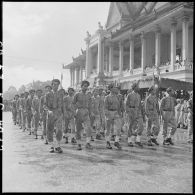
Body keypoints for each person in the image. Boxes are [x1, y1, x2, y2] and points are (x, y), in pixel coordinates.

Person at [72, 80, 93, 150]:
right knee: (78, 129)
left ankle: (88, 143)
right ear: (81, 87)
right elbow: (73, 104)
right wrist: (74, 112)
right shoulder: (77, 94)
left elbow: (90, 105)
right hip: (79, 111)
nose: (85, 87)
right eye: (84, 86)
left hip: (86, 112)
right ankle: (79, 144)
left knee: (88, 128)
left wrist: (90, 113)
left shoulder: (89, 95)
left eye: (87, 86)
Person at [45, 79, 63, 153]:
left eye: (57, 85)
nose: (56, 86)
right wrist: (48, 111)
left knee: (59, 130)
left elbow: (62, 105)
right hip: (51, 113)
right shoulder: (48, 94)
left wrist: (63, 113)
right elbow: (44, 105)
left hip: (58, 113)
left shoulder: (60, 94)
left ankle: (58, 146)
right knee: (50, 130)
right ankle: (52, 146)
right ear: (52, 85)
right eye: (54, 84)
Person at [104, 83, 122, 150]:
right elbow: (105, 108)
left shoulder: (118, 96)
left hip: (116, 113)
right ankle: (108, 142)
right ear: (111, 89)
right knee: (108, 129)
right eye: (114, 87)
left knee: (119, 127)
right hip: (109, 112)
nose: (116, 88)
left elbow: (119, 106)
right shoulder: (107, 97)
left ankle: (116, 141)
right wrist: (107, 115)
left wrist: (119, 113)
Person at [125, 83, 144, 147]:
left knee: (141, 125)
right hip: (131, 110)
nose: (139, 87)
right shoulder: (129, 95)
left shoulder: (139, 95)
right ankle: (129, 141)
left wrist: (141, 113)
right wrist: (128, 112)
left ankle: (138, 140)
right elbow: (126, 104)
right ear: (134, 87)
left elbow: (140, 105)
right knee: (130, 126)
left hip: (138, 111)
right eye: (138, 86)